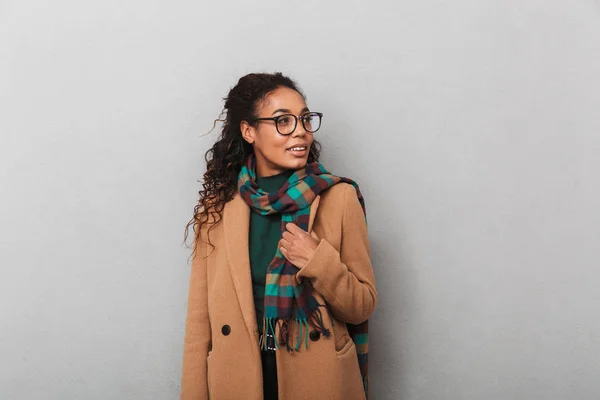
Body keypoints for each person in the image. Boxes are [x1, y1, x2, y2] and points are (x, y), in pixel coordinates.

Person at [181, 72, 377, 400]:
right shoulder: (218, 209)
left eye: (303, 119)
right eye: (283, 121)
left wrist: (318, 261)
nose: (299, 130)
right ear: (248, 131)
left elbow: (362, 306)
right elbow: (199, 324)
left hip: (316, 373)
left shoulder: (338, 197)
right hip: (238, 374)